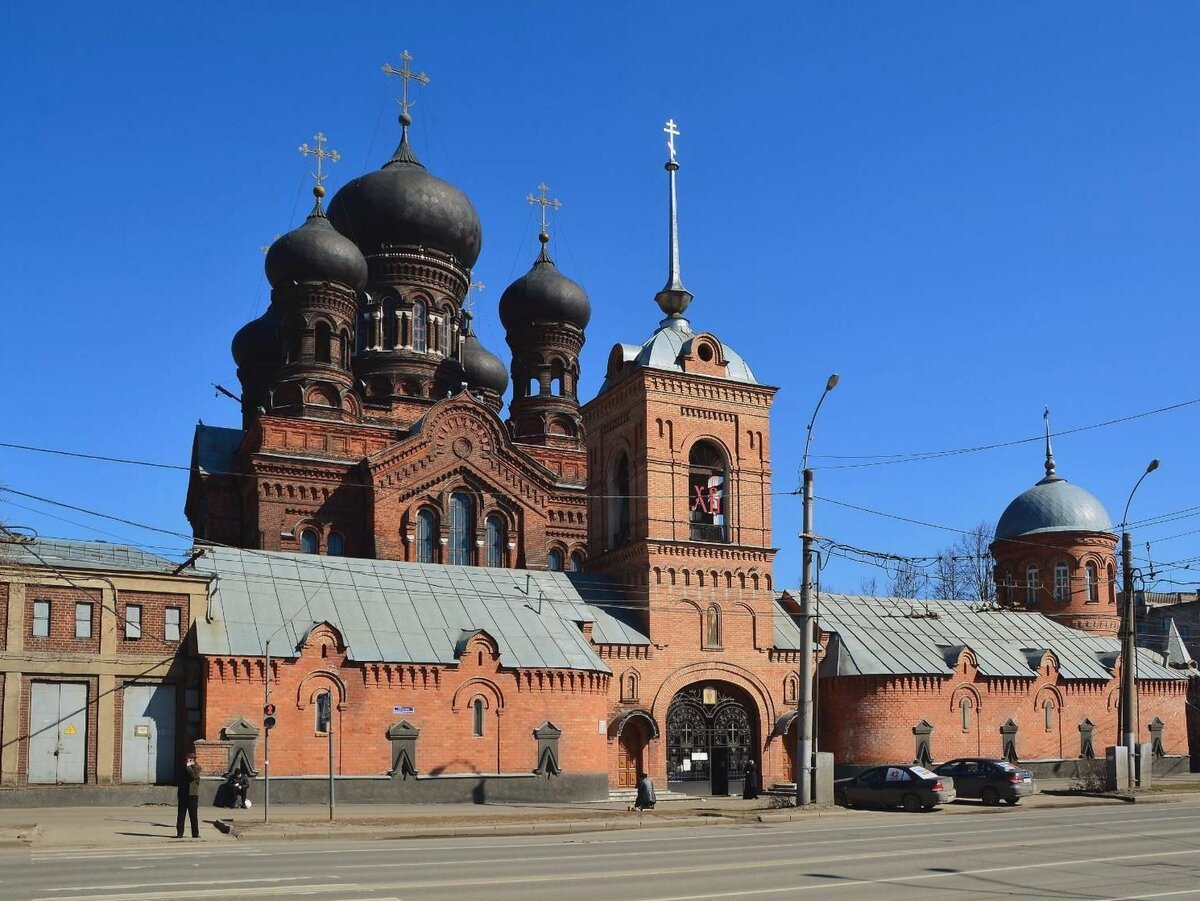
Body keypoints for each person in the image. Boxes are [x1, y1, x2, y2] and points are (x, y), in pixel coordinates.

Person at [176, 752, 202, 838]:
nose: (189, 760)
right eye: (188, 758)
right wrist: (186, 767)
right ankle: (180, 833)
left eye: (191, 759)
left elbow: (194, 776)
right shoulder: (183, 767)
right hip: (183, 794)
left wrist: (189, 767)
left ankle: (195, 833)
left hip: (192, 795)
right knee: (181, 815)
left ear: (194, 759)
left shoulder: (197, 767)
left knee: (193, 815)